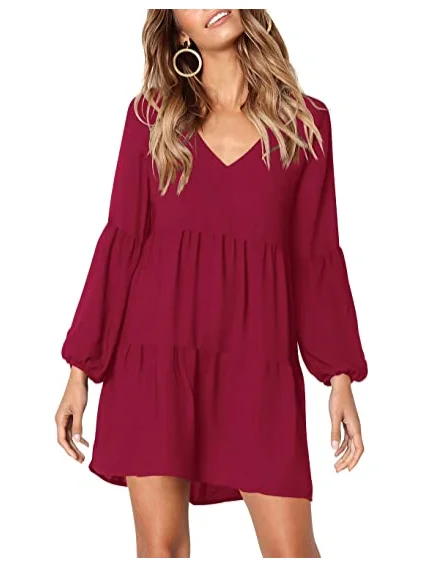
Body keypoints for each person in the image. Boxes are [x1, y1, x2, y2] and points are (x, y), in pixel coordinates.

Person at [55, 9, 368, 558]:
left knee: (292, 551)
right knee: (162, 550)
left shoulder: (305, 123)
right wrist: (81, 370)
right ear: (178, 28)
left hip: (257, 364)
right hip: (154, 361)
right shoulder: (151, 118)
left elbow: (314, 255)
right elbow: (121, 243)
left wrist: (338, 375)